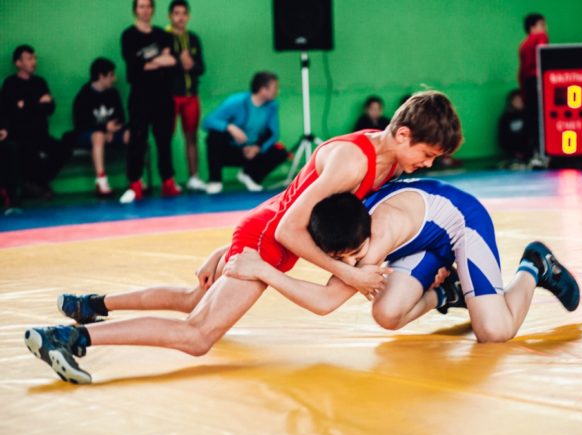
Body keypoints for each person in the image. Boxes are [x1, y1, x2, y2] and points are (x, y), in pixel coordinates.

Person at [24, 91, 463, 384]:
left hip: (264, 229)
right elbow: (290, 227)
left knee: (192, 299)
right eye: (427, 154)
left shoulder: (388, 159)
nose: (427, 164)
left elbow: (293, 199)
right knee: (197, 335)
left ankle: (92, 305)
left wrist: (232, 246)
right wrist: (341, 272)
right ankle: (68, 338)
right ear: (402, 134)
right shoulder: (354, 161)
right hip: (271, 239)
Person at [223, 179, 580, 343]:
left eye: (356, 256)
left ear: (365, 240)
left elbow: (324, 303)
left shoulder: (374, 241)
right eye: (342, 259)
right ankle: (448, 292)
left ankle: (534, 266)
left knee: (495, 332)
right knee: (387, 314)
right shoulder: (346, 220)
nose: (352, 264)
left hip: (462, 223)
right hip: (421, 241)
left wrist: (263, 271)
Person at [119, 0, 181, 204]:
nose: (145, 10)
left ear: (153, 10)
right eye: (141, 6)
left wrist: (148, 61)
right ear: (135, 10)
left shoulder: (163, 35)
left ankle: (168, 181)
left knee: (164, 139)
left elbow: (173, 62)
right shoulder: (129, 36)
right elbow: (135, 67)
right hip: (140, 96)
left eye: (148, 6)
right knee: (138, 139)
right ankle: (135, 182)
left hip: (162, 96)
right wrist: (159, 59)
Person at [1, 45, 72, 199]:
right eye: (29, 58)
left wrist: (26, 104)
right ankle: (32, 185)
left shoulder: (39, 82)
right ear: (18, 63)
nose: (34, 62)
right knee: (26, 153)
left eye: (34, 58)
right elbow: (13, 111)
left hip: (41, 134)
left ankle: (36, 183)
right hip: (20, 135)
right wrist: (37, 103)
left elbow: (50, 107)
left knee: (63, 150)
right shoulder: (10, 84)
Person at [203, 71, 288, 193]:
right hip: (230, 150)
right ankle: (215, 180)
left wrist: (257, 147)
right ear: (263, 89)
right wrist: (229, 127)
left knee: (280, 151)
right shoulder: (236, 101)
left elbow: (273, 133)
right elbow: (207, 121)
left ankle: (250, 175)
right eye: (275, 87)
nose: (277, 91)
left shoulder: (272, 106)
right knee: (214, 136)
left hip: (252, 152)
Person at [72, 58, 129, 196]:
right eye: (111, 75)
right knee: (98, 136)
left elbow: (121, 118)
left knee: (131, 134)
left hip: (112, 132)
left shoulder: (113, 93)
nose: (114, 79)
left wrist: (112, 130)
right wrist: (104, 129)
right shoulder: (83, 96)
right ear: (101, 76)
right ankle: (101, 180)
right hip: (89, 135)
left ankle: (134, 178)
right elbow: (81, 124)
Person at [167, 0, 206, 192]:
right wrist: (178, 62)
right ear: (170, 16)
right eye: (176, 13)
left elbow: (201, 68)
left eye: (184, 13)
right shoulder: (163, 37)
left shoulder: (194, 39)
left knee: (191, 136)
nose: (180, 17)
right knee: (166, 138)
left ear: (188, 16)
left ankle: (194, 177)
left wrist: (191, 64)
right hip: (170, 97)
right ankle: (169, 179)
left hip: (191, 95)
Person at [518, 13, 549, 162]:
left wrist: (523, 91)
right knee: (542, 119)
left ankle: (532, 153)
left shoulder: (523, 45)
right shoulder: (541, 37)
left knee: (531, 119)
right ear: (532, 27)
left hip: (528, 84)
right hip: (539, 81)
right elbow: (544, 57)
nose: (545, 28)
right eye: (542, 24)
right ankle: (543, 153)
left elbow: (522, 71)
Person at [497, 89, 529, 168]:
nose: (519, 102)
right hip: (512, 154)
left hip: (528, 153)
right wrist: (513, 152)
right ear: (511, 102)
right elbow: (503, 137)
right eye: (516, 100)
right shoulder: (506, 118)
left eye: (521, 100)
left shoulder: (530, 116)